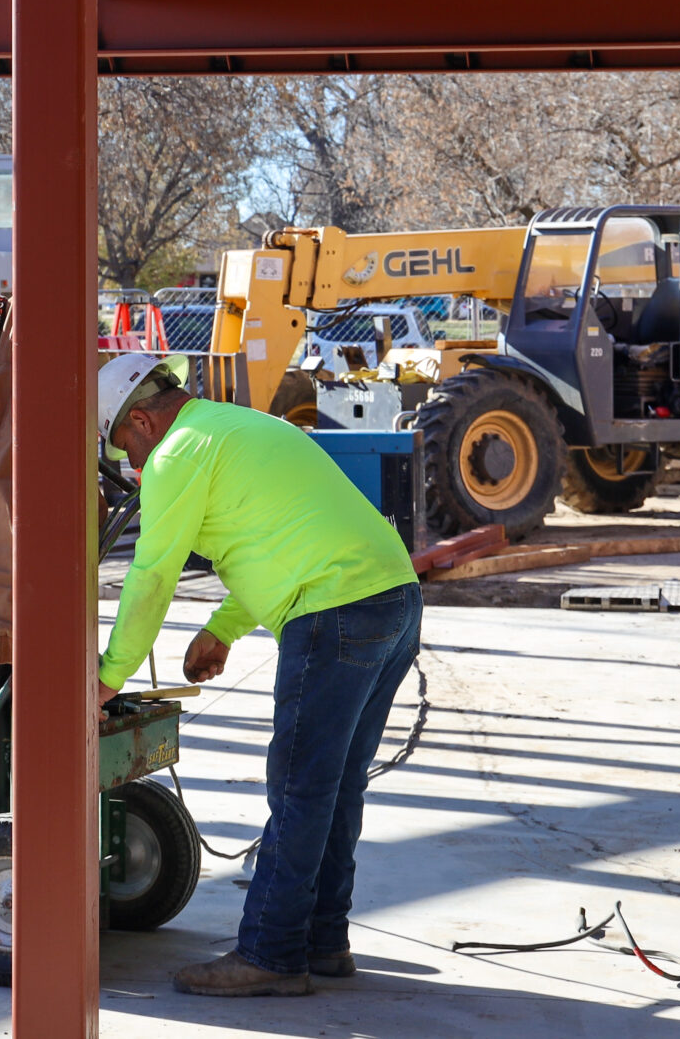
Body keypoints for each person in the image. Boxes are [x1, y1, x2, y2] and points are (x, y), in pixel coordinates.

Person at [93, 351, 422, 999]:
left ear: (139, 418)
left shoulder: (175, 453)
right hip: (394, 599)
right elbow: (285, 537)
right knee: (334, 784)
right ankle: (323, 939)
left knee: (300, 787)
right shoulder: (236, 426)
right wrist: (222, 627)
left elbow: (152, 573)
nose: (131, 465)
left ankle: (271, 951)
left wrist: (107, 677)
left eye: (124, 445)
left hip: (333, 611)